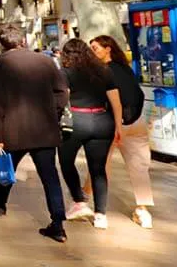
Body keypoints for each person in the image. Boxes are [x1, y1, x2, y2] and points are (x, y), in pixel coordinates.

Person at [0, 24, 69, 242]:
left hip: (13, 130)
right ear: (24, 40)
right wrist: (54, 114)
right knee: (50, 177)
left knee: (6, 170)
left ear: (2, 44)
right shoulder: (45, 61)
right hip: (44, 129)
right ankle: (58, 223)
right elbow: (62, 93)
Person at [57, 38, 123, 230]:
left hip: (76, 121)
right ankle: (101, 215)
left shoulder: (65, 72)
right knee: (99, 169)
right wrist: (118, 126)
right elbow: (115, 101)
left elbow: (63, 99)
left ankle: (79, 201)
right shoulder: (103, 70)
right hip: (103, 121)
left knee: (66, 161)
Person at [89, 35, 154, 228]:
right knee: (139, 168)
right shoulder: (125, 69)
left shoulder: (103, 72)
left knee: (99, 165)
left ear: (108, 48)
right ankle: (143, 211)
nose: (93, 52)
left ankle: (86, 203)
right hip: (136, 123)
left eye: (95, 48)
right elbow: (139, 94)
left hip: (113, 124)